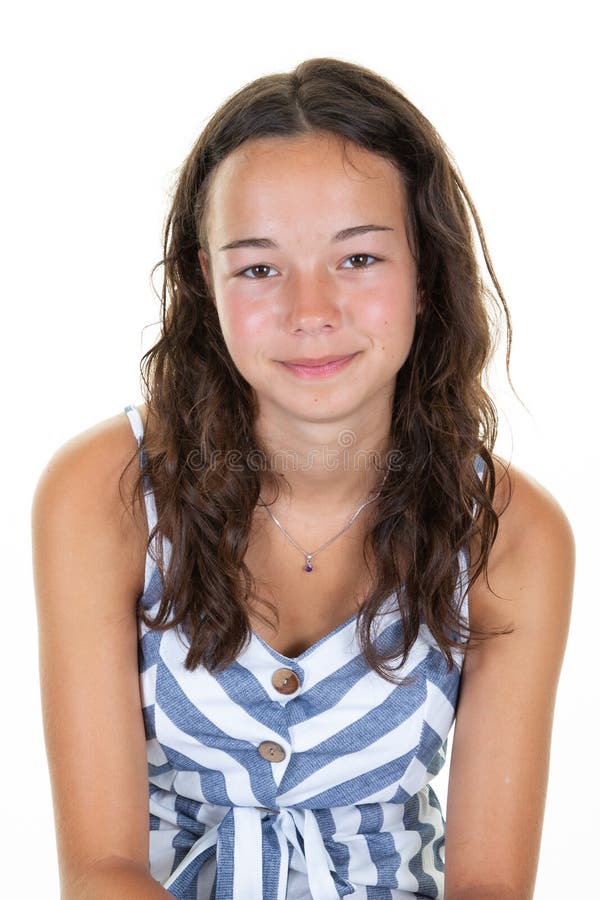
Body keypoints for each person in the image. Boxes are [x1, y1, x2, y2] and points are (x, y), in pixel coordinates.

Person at [31, 57, 575, 900]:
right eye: (257, 267)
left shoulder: (513, 533)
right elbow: (100, 871)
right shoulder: (100, 494)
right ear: (203, 285)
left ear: (424, 274)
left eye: (358, 259)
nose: (310, 310)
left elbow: (489, 887)